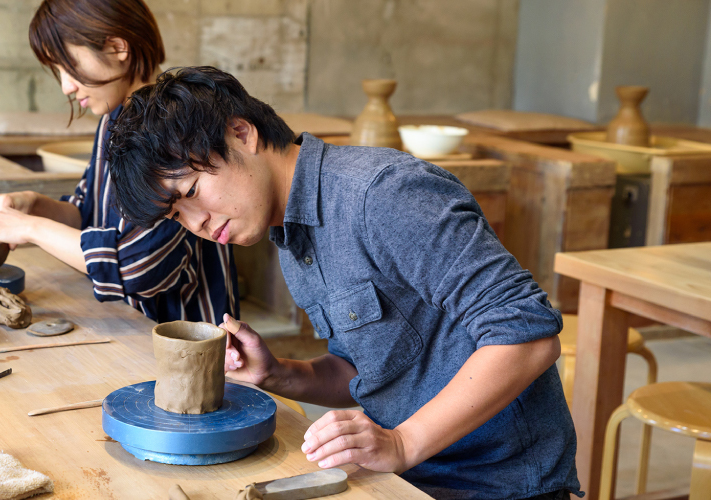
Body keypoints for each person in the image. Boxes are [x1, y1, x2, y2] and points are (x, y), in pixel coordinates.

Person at [105, 67, 582, 499]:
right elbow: (369, 373)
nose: (197, 223)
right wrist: (278, 374)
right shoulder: (289, 230)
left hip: (496, 485)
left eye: (190, 192)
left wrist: (403, 441)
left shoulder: (383, 193)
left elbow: (529, 334)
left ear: (241, 133)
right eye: (177, 214)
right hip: (404, 475)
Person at [0, 1, 238, 325]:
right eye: (58, 71)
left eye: (69, 65)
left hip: (188, 345)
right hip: (127, 328)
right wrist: (31, 206)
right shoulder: (113, 119)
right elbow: (88, 216)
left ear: (118, 47)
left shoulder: (170, 125)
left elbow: (137, 265)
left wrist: (29, 228)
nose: (66, 86)